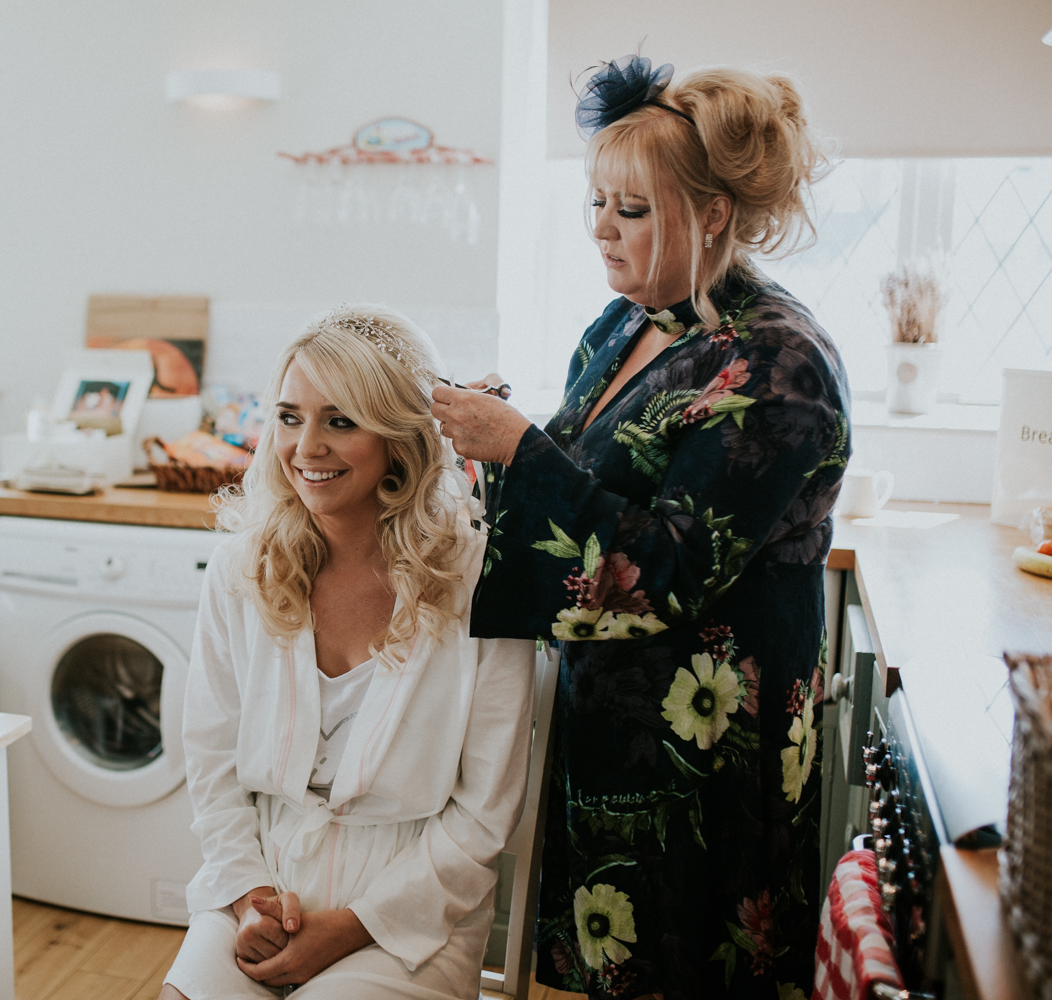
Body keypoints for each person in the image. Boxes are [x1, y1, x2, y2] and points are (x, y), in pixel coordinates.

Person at [431, 56, 850, 999]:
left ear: (710, 216)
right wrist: (496, 443)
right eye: (594, 203)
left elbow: (669, 566)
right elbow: (589, 480)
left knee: (687, 968)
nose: (601, 233)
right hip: (610, 721)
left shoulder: (779, 362)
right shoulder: (625, 325)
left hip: (706, 743)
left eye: (630, 210)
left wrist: (521, 449)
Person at [161, 306, 536, 1000]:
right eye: (289, 416)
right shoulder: (241, 570)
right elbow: (210, 763)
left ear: (399, 436)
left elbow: (487, 812)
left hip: (414, 907)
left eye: (340, 420)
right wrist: (249, 899)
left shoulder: (481, 582)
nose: (306, 447)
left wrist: (353, 925)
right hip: (265, 877)